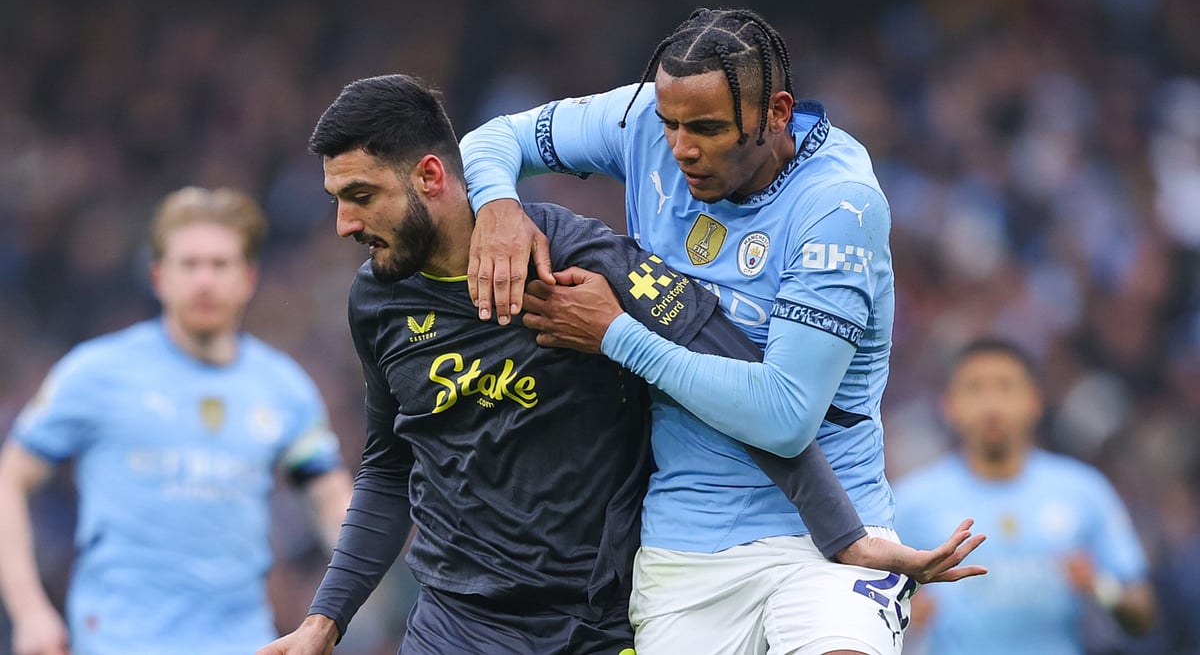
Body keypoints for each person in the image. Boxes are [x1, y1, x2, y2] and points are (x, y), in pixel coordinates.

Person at [260, 74, 983, 655]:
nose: (344, 225)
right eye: (336, 200)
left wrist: (846, 536)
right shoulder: (377, 301)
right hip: (455, 624)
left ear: (428, 176)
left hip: (596, 625)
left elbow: (746, 392)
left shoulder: (587, 262)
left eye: (360, 197)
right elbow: (390, 467)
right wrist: (326, 620)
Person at [460, 6, 937, 655]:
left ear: (776, 114)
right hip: (687, 545)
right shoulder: (646, 126)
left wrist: (614, 334)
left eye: (707, 129)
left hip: (829, 538)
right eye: (670, 123)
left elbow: (785, 414)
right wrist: (497, 205)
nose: (680, 147)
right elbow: (492, 138)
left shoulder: (838, 205)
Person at [0, 187, 354, 655]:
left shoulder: (284, 388)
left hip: (243, 641)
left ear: (248, 277)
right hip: (118, 639)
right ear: (158, 276)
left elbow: (334, 503)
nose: (204, 281)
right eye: (189, 265)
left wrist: (341, 607)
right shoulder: (96, 373)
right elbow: (11, 479)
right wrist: (29, 611)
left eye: (220, 264)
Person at [892, 338, 1157, 654]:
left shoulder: (1084, 490)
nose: (991, 405)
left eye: (1005, 387)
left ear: (1034, 401)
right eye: (975, 389)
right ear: (949, 406)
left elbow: (1144, 614)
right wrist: (904, 616)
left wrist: (1102, 589)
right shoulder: (911, 501)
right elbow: (864, 602)